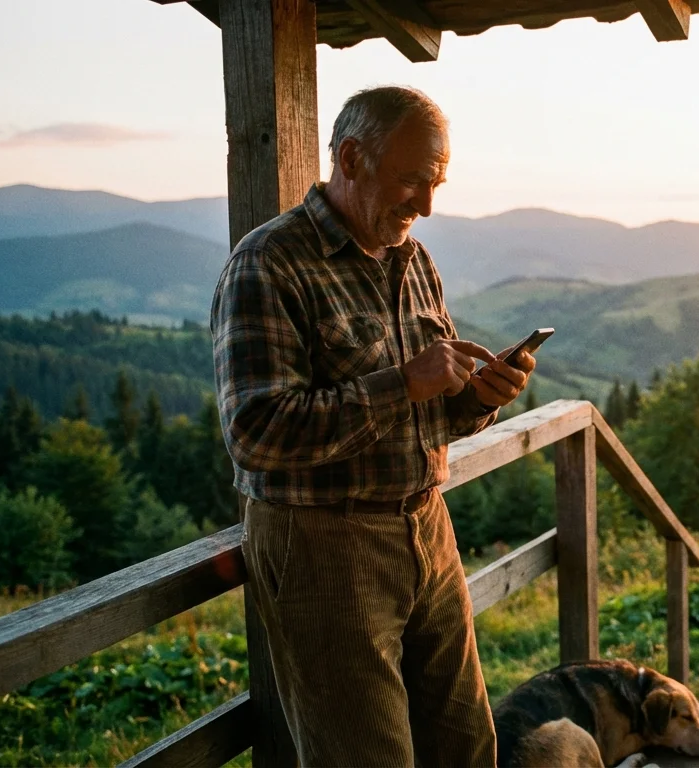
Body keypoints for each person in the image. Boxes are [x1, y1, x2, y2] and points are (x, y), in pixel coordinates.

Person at [210, 85, 532, 767]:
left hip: (425, 529)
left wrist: (476, 398)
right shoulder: (268, 262)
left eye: (437, 181)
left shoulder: (414, 262)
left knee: (467, 747)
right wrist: (401, 383)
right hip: (325, 547)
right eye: (413, 178)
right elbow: (256, 433)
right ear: (351, 159)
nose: (426, 204)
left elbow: (430, 414)